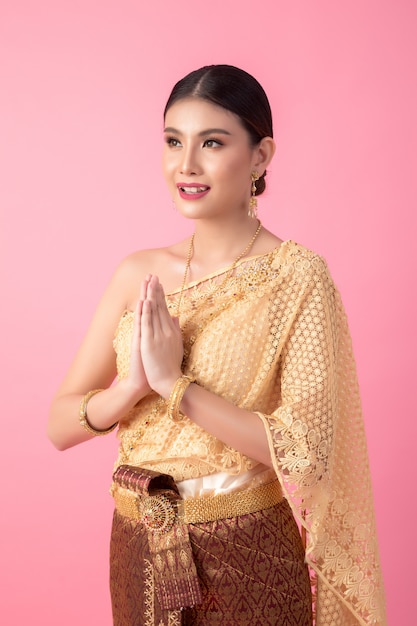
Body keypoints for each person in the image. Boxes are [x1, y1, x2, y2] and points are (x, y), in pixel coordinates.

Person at [48, 64, 386, 626]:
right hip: (137, 547)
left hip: (245, 550)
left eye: (212, 142)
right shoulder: (138, 272)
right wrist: (131, 387)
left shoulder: (295, 277)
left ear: (260, 156)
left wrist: (174, 388)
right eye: (173, 141)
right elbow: (60, 425)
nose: (187, 165)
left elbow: (307, 452)